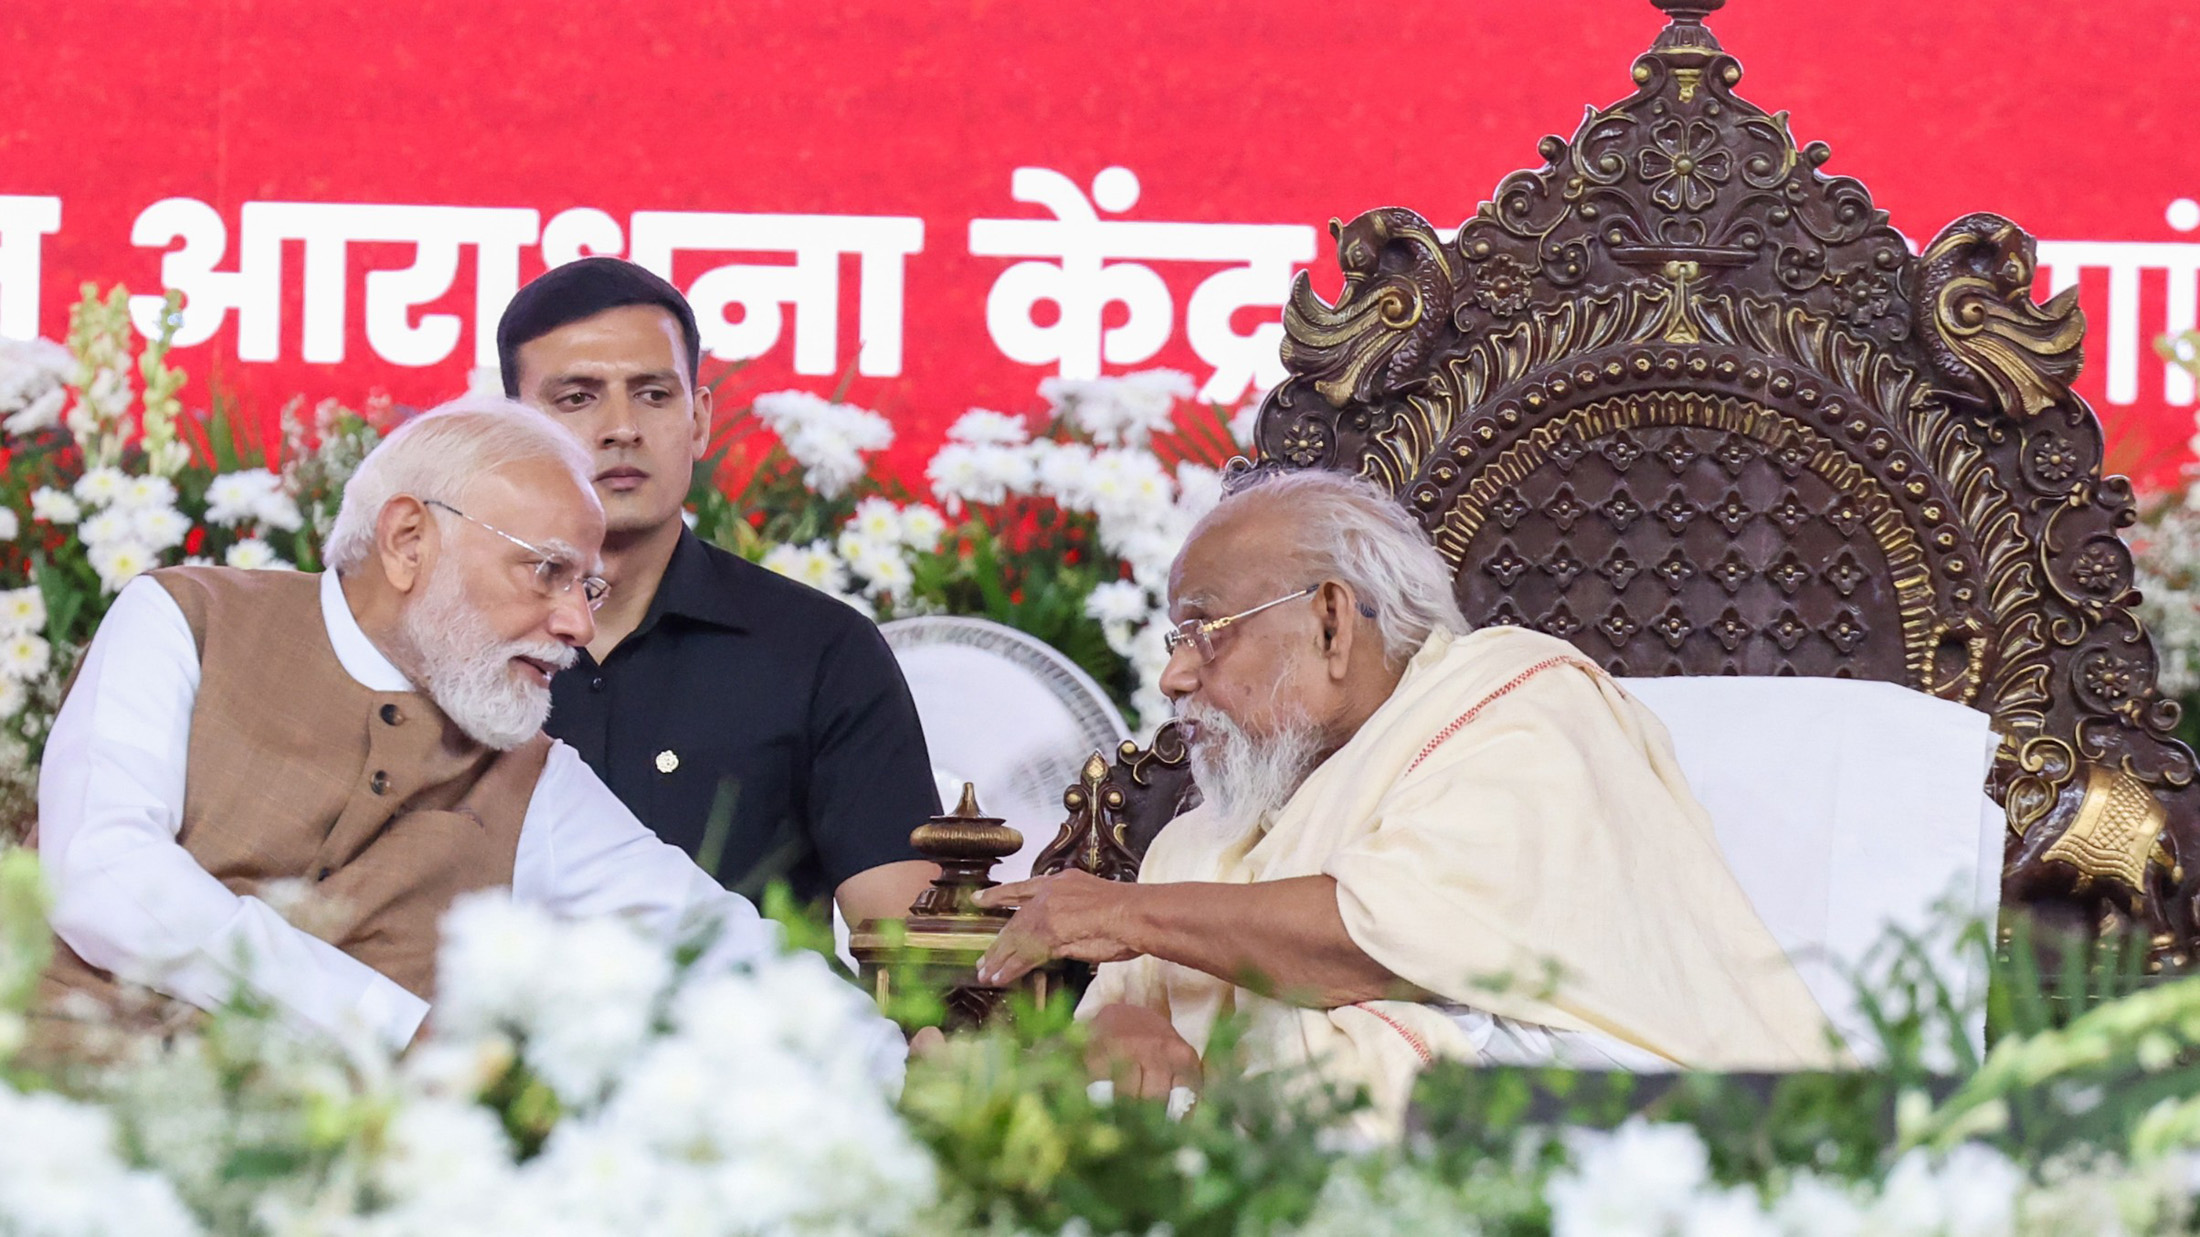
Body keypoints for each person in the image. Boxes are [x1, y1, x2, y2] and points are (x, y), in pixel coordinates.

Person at [971, 469, 1840, 1128]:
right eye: (1176, 639)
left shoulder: (1520, 705)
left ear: (1331, 623)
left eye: (1204, 631)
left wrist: (1127, 914)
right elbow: (1114, 1023)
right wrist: (1118, 1037)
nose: (1175, 674)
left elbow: (1382, 942)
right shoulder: (1204, 840)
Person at [29, 398, 814, 1057]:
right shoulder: (188, 619)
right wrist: (391, 1027)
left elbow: (717, 946)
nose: (577, 621)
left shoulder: (532, 777)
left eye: (590, 588)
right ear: (409, 540)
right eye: (547, 570)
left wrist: (904, 1067)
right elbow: (101, 874)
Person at [495, 259, 939, 924]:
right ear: (509, 430)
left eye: (653, 394)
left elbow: (910, 946)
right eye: (577, 398)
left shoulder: (820, 650)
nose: (622, 427)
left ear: (699, 419)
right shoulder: (452, 643)